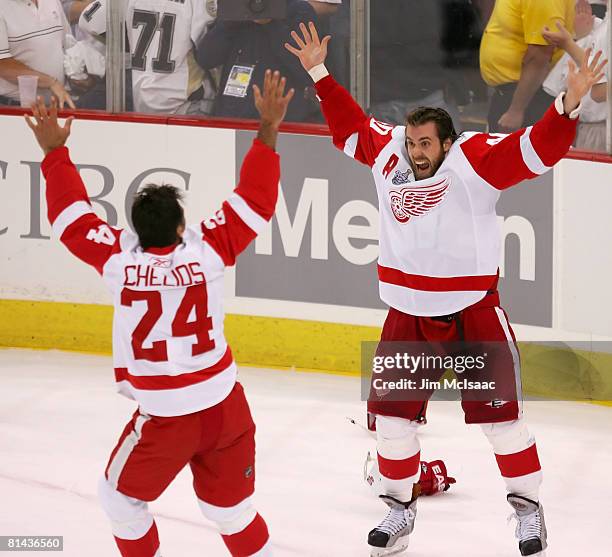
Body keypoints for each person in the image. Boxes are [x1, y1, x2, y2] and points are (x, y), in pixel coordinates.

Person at [286, 21, 606, 557]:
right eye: (411, 142)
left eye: (425, 143)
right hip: (406, 314)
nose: (415, 152)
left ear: (447, 141)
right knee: (390, 420)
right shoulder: (389, 153)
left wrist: (567, 107)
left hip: (472, 313)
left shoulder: (475, 159)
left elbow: (538, 150)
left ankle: (527, 511)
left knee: (501, 423)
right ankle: (398, 509)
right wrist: (319, 70)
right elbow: (348, 127)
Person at [24, 69, 294, 557]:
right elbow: (255, 200)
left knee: (119, 500)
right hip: (223, 407)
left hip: (167, 416)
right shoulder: (208, 250)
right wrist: (268, 127)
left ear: (133, 229)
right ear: (183, 225)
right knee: (233, 514)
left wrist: (53, 152)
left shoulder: (119, 262)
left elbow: (71, 219)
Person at [196, 0, 321, 123]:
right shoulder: (236, 11)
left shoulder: (298, 10)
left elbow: (308, 72)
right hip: (233, 116)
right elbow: (206, 59)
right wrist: (230, 22)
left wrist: (271, 21)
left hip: (282, 120)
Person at [480, 0, 575, 133]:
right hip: (510, 95)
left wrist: (516, 110)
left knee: (516, 152)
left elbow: (540, 56)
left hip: (527, 97)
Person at [543, 14, 609, 151]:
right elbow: (596, 72)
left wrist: (569, 44)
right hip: (591, 128)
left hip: (602, 130)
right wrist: (569, 44)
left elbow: (598, 91)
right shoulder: (603, 24)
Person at [0, 0, 75, 108]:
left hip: (59, 104)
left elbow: (67, 43)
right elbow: (3, 65)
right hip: (15, 109)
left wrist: (76, 75)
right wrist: (50, 82)